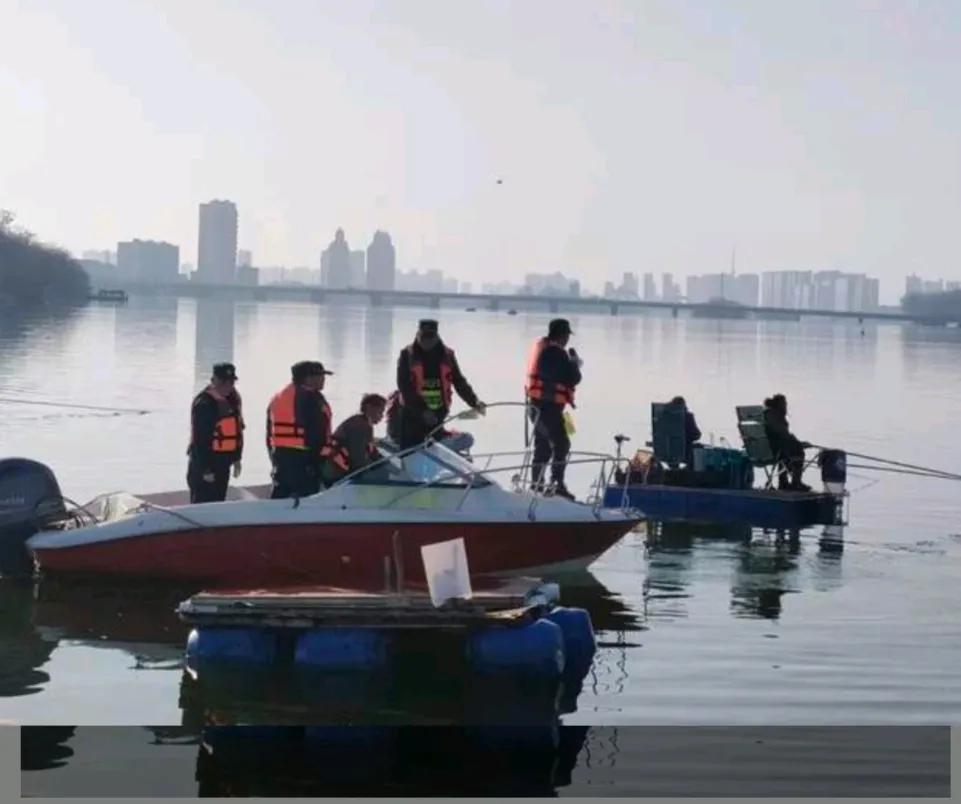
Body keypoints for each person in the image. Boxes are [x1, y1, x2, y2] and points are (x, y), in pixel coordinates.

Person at [394, 319, 486, 449]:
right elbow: (404, 386)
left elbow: (459, 381)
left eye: (430, 337)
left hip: (438, 413)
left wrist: (474, 402)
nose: (426, 341)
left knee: (435, 447)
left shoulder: (448, 355)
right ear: (418, 335)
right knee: (410, 449)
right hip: (412, 413)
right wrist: (422, 411)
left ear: (437, 336)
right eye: (423, 337)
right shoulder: (406, 354)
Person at [525, 318, 582, 500]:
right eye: (567, 335)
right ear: (563, 335)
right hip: (547, 408)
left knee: (548, 445)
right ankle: (552, 485)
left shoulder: (544, 349)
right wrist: (574, 364)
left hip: (539, 407)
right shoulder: (555, 353)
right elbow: (573, 378)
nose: (567, 340)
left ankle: (541, 485)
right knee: (558, 444)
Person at [266, 361, 334, 499]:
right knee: (307, 498)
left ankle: (272, 512)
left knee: (281, 493)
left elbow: (269, 432)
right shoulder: (311, 398)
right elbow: (316, 432)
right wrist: (319, 461)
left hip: (280, 456)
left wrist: (273, 458)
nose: (323, 379)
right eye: (320, 376)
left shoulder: (277, 397)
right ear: (308, 378)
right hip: (305, 458)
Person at [187, 363, 245, 503]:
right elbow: (200, 439)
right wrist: (206, 469)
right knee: (203, 502)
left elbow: (238, 431)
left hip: (223, 463)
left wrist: (237, 458)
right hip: (206, 463)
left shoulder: (233, 400)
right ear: (214, 381)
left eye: (231, 382)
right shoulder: (204, 403)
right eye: (224, 382)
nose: (228, 386)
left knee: (219, 499)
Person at [322, 393, 388, 485]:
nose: (382, 416)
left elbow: (372, 451)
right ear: (369, 408)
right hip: (336, 474)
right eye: (380, 411)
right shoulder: (359, 426)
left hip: (342, 471)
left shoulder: (364, 423)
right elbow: (358, 458)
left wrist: (384, 462)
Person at [762, 393, 811, 491]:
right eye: (785, 404)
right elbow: (783, 435)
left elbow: (784, 436)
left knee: (788, 451)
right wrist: (799, 444)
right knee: (798, 452)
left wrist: (797, 442)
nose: (786, 407)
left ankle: (783, 482)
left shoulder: (768, 414)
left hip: (769, 448)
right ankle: (795, 482)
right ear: (780, 405)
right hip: (775, 449)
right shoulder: (775, 416)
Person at [669, 396, 702, 466]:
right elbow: (697, 434)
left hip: (668, 451)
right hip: (685, 449)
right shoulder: (688, 417)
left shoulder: (664, 418)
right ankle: (690, 469)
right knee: (699, 448)